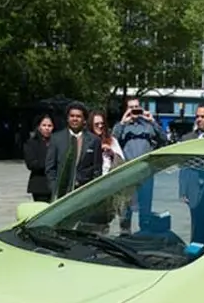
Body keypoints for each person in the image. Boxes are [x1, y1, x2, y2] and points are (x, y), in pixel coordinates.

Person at [112, 97, 168, 231]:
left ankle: (144, 231)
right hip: (127, 173)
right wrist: (123, 121)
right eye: (131, 107)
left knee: (145, 206)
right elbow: (113, 140)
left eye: (137, 107)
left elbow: (164, 139)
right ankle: (125, 233)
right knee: (126, 207)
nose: (134, 110)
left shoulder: (148, 125)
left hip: (145, 172)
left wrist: (152, 121)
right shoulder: (122, 126)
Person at [45, 101, 103, 201]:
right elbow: (50, 168)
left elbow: (97, 169)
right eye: (72, 116)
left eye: (78, 116)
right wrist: (55, 188)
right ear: (67, 118)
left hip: (84, 193)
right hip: (61, 193)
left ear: (84, 119)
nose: (75, 119)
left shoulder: (94, 140)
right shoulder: (56, 138)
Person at [23, 114, 54, 202]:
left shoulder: (57, 142)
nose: (47, 128)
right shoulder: (31, 143)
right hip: (40, 185)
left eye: (49, 126)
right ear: (39, 127)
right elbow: (31, 164)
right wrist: (50, 163)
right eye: (44, 125)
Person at [89, 110, 124, 175]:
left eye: (102, 123)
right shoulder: (85, 141)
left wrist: (112, 153)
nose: (100, 126)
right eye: (96, 124)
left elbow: (122, 162)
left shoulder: (112, 140)